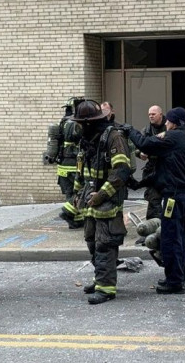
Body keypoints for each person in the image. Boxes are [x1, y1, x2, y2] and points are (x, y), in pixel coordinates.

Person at [127, 107, 185, 294]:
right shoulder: (182, 140)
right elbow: (164, 172)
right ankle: (178, 276)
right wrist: (140, 184)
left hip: (173, 197)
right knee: (179, 236)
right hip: (182, 194)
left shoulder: (173, 137)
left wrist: (129, 131)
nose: (165, 122)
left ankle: (174, 282)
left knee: (170, 237)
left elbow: (144, 144)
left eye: (168, 120)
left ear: (174, 123)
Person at [71, 100, 131, 304]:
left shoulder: (114, 137)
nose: (78, 127)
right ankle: (100, 280)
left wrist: (102, 195)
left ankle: (106, 289)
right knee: (91, 242)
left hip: (108, 201)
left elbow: (121, 170)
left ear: (90, 123)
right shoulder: (86, 140)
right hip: (90, 200)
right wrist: (78, 193)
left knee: (105, 244)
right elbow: (81, 169)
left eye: (81, 123)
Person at [134, 105, 166, 244]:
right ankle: (151, 232)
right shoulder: (146, 131)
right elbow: (137, 146)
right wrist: (139, 153)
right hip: (152, 169)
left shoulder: (168, 127)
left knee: (171, 203)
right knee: (153, 201)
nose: (151, 116)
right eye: (149, 114)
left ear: (160, 114)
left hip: (168, 168)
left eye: (153, 114)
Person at [55, 98, 85, 229]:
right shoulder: (76, 123)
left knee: (69, 193)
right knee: (80, 191)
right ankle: (67, 212)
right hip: (74, 164)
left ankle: (76, 221)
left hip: (62, 165)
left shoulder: (62, 122)